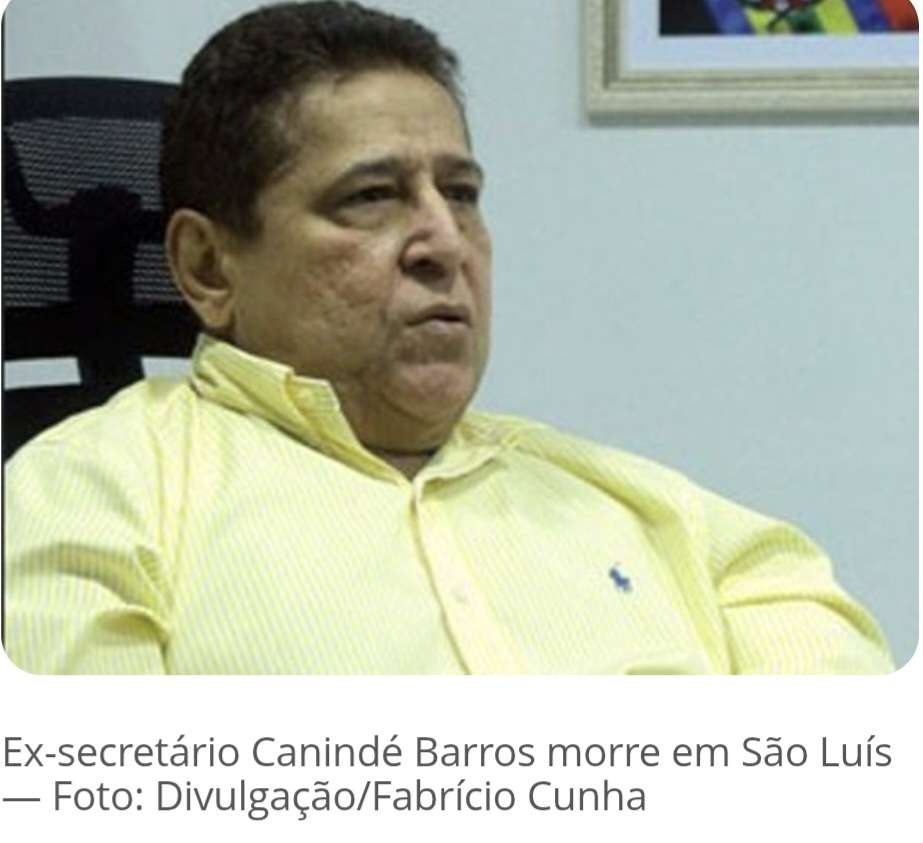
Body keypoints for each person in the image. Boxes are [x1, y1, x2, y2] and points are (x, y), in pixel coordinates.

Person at [3, 0, 893, 675]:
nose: (444, 242)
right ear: (207, 267)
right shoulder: (86, 495)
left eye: (460, 194)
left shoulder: (657, 513)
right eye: (371, 197)